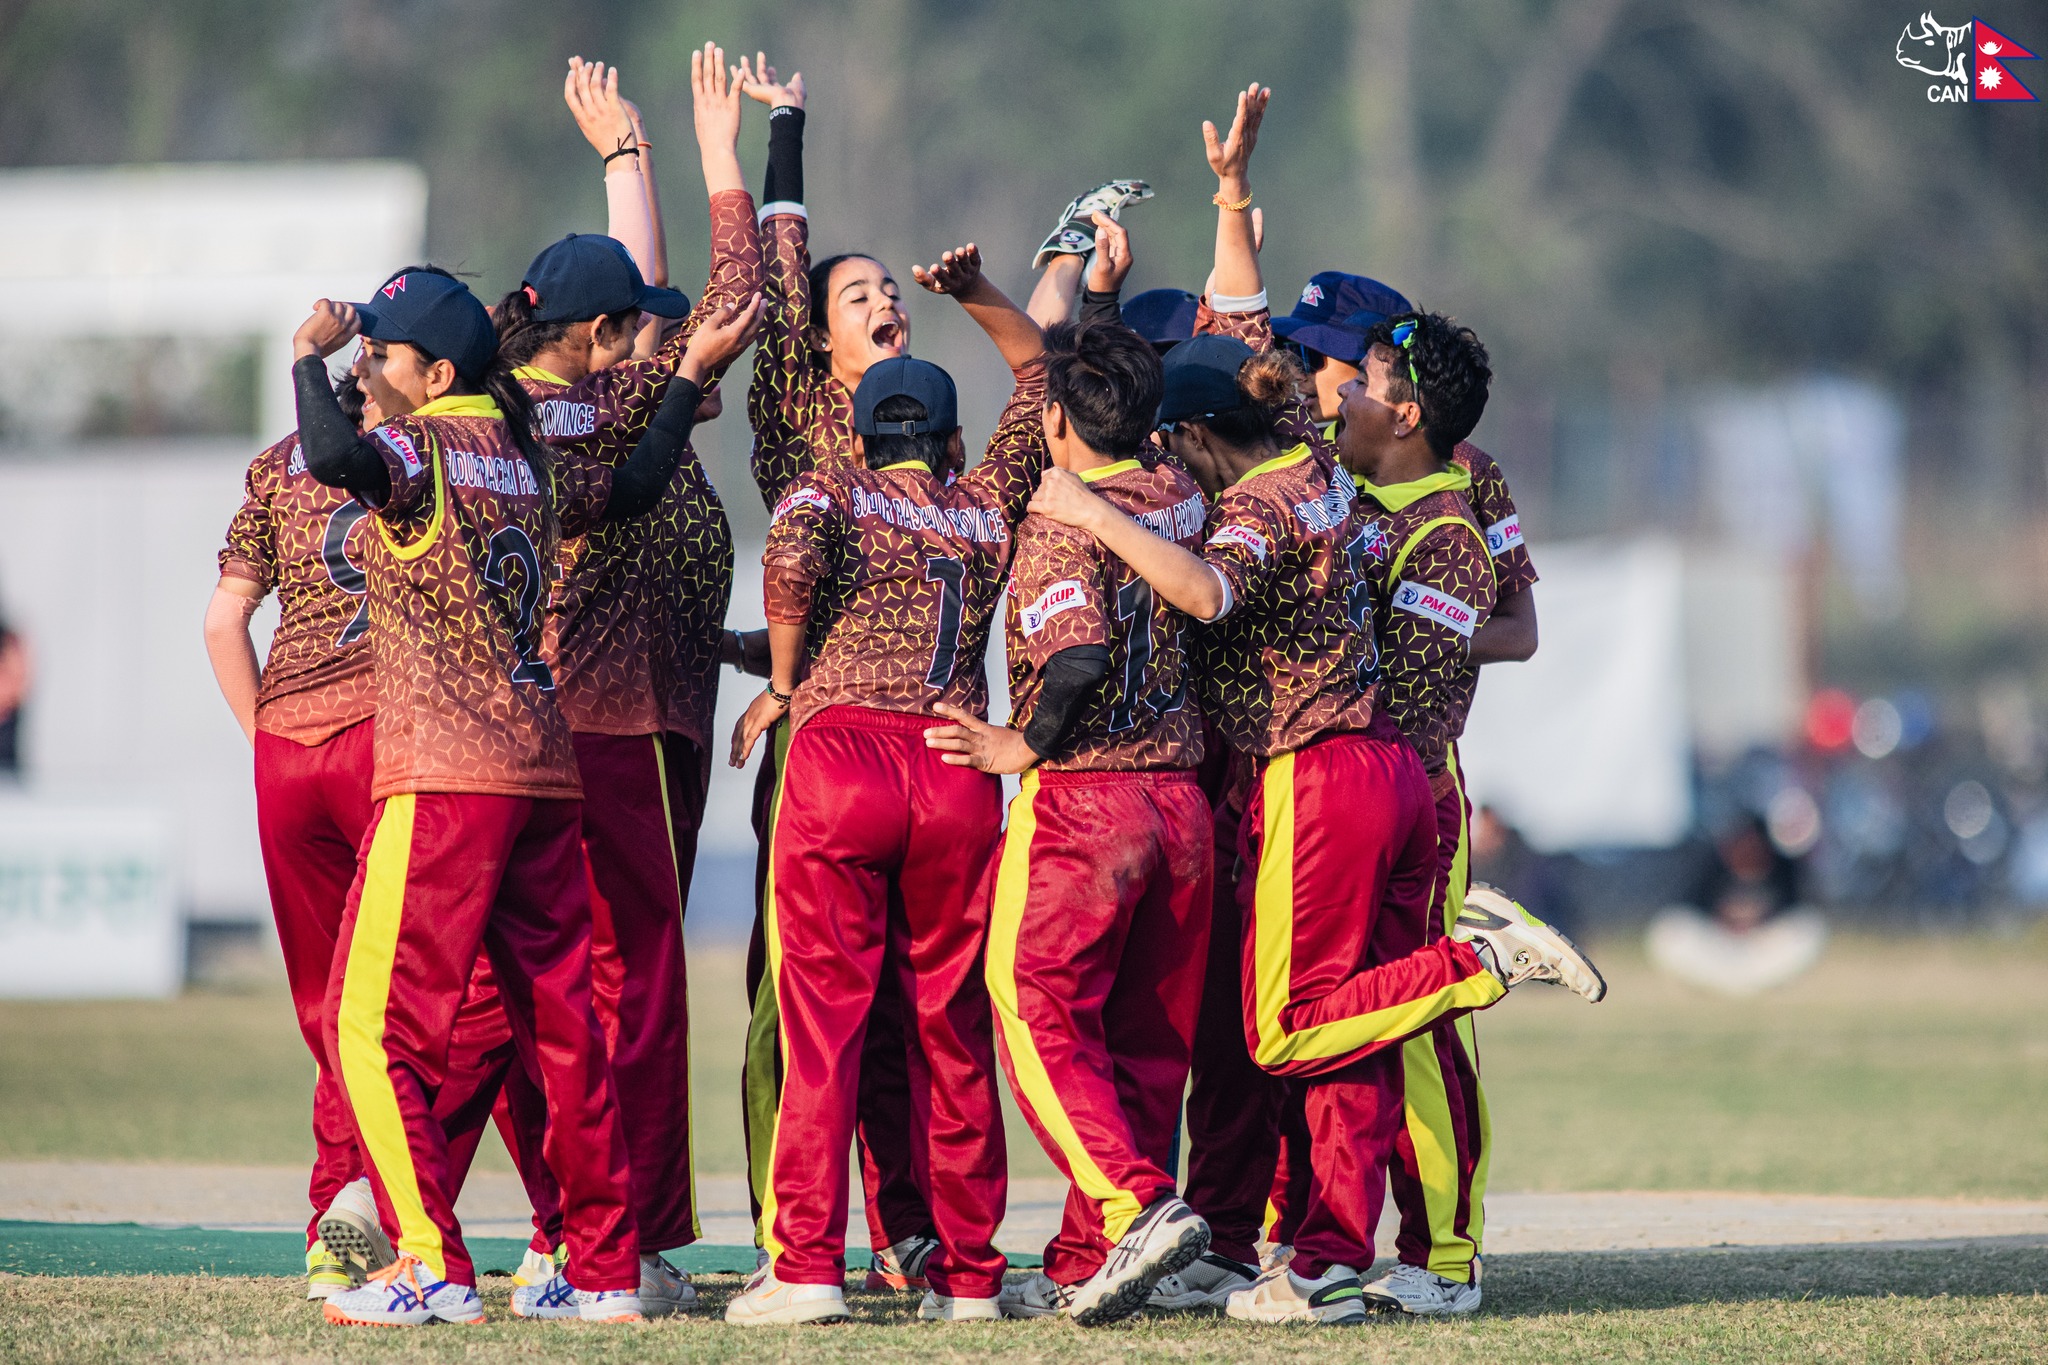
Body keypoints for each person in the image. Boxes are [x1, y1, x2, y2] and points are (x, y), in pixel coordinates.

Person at [1028, 80, 1603, 1327]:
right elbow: (1243, 328)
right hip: (1363, 767)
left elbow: (1204, 591)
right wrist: (1230, 195)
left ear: (1196, 435)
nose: (1326, 383)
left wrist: (1081, 511)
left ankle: (1475, 966)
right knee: (1333, 1032)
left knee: (1285, 1028)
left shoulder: (1269, 503)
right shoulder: (1313, 454)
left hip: (1322, 773)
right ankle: (1328, 1256)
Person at [285, 264, 756, 1327]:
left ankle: (431, 1265)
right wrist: (684, 380)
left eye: (382, 355)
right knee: (564, 1031)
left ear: (436, 375)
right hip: (543, 768)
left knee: (368, 1024)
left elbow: (332, 456)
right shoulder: (527, 454)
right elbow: (635, 485)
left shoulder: (423, 447)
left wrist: (307, 356)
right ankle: (604, 1271)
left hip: (447, 776)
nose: (369, 368)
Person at [482, 47, 765, 1314]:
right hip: (616, 734)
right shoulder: (608, 406)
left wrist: (622, 160)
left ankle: (571, 1231)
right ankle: (619, 1240)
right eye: (637, 329)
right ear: (601, 342)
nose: (661, 334)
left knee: (566, 988)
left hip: (592, 727)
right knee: (630, 989)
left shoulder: (538, 402)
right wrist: (710, 160)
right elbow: (721, 305)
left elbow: (630, 296)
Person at [720, 242, 1044, 1327]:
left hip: (843, 754)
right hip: (953, 762)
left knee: (824, 1023)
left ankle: (808, 1264)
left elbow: (788, 565)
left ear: (860, 434)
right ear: (949, 440)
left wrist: (780, 685)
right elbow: (1038, 381)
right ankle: (968, 1277)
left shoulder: (830, 482)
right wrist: (984, 294)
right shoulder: (984, 503)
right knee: (952, 1027)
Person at [203, 375, 522, 1302]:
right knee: (475, 995)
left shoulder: (278, 465)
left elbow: (224, 619)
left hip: (286, 751)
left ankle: (332, 1231)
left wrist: (267, 740)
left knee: (330, 1007)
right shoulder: (434, 455)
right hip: (397, 742)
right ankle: (387, 1201)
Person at [923, 319, 1216, 1326]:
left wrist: (1022, 743)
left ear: (1054, 418)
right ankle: (1093, 1258)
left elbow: (1079, 655)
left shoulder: (1058, 517)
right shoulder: (1177, 491)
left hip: (1088, 804)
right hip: (1181, 805)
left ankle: (1135, 1207)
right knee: (1143, 1041)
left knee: (1033, 1004)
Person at [732, 53, 942, 1290]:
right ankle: (788, 1232)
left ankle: (912, 1229)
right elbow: (773, 285)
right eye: (857, 294)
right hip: (820, 749)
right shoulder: (802, 419)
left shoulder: (933, 437)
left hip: (924, 756)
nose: (883, 301)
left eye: (889, 290)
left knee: (915, 1006)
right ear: (819, 337)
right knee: (799, 1003)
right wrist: (783, 137)